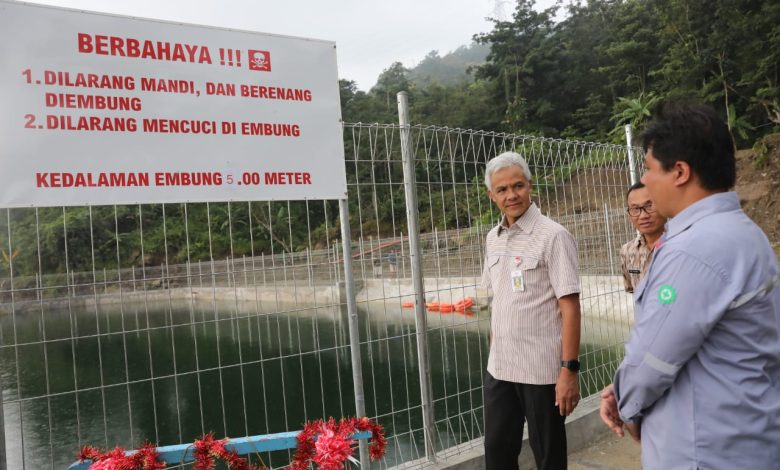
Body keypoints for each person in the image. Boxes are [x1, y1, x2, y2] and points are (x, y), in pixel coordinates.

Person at [600, 103, 780, 469]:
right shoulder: (743, 232)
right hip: (742, 434)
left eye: (650, 169)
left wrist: (627, 403)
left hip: (705, 450)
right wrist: (626, 388)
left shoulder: (693, 249)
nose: (646, 180)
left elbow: (653, 360)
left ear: (680, 172)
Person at [481, 151, 582, 470]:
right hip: (500, 368)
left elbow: (570, 307)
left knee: (549, 456)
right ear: (492, 195)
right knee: (497, 451)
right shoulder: (492, 239)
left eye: (518, 186)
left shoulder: (553, 236)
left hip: (541, 371)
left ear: (530, 185)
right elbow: (499, 298)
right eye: (502, 189)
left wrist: (568, 370)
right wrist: (494, 344)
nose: (511, 195)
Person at [619, 182, 667, 293]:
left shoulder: (681, 244)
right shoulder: (627, 251)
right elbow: (632, 290)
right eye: (635, 209)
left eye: (649, 206)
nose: (643, 215)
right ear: (629, 214)